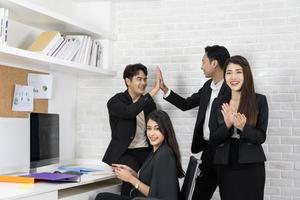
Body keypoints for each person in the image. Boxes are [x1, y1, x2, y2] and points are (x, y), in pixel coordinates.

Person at [158, 45, 230, 200]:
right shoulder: (207, 87)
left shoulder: (232, 88)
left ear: (214, 63)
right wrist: (165, 89)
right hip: (209, 150)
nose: (201, 66)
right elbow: (186, 104)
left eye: (203, 61)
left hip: (226, 151)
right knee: (199, 195)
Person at [209, 55, 268, 200]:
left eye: (238, 72)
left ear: (246, 74)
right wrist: (228, 125)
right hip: (225, 166)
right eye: (229, 72)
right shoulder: (218, 102)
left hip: (252, 166)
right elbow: (213, 139)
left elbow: (261, 137)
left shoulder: (259, 100)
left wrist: (243, 127)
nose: (233, 77)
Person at [96, 110, 185, 200]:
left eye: (157, 128)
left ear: (165, 130)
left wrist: (130, 178)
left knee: (101, 198)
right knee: (101, 197)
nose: (151, 133)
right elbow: (151, 181)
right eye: (149, 128)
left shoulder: (164, 154)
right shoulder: (155, 151)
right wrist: (133, 173)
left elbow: (157, 196)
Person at [102, 63, 160, 196]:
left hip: (146, 151)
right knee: (129, 176)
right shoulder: (115, 101)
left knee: (151, 180)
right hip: (125, 152)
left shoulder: (149, 104)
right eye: (139, 79)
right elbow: (129, 112)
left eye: (145, 79)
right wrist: (153, 91)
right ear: (128, 81)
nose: (143, 83)